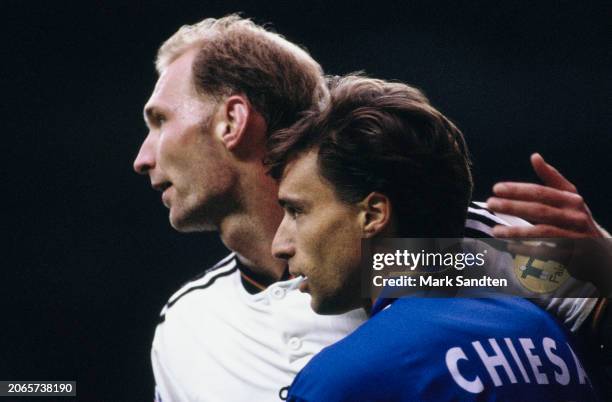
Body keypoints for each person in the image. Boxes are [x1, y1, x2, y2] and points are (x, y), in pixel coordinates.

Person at [133, 14, 600, 401]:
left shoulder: (468, 249)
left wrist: (607, 262)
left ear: (232, 121)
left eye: (159, 121)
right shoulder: (186, 326)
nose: (142, 157)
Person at [267, 75, 600, 401]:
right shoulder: (553, 338)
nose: (280, 245)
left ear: (373, 215)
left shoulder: (342, 380)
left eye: (297, 211)